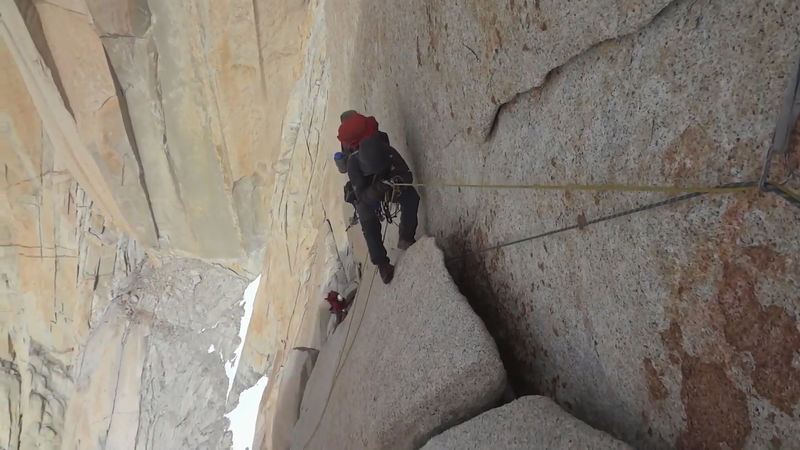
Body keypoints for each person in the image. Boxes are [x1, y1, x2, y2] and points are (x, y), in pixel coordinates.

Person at [336, 111, 419, 284]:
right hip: (371, 189)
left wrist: (397, 180)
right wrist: (385, 185)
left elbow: (406, 174)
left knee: (410, 197)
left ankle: (405, 238)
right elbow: (363, 195)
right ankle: (382, 264)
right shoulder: (354, 163)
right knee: (369, 224)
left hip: (384, 185)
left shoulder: (381, 148)